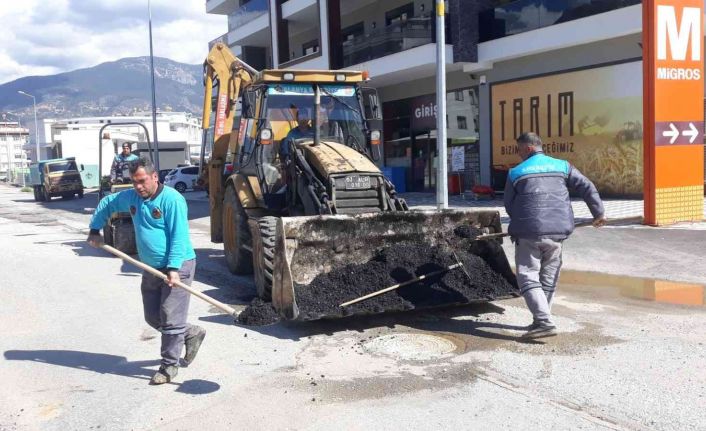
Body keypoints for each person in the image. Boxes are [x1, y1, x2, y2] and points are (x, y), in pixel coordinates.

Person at [87, 158, 206, 385]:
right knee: (153, 317)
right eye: (134, 182)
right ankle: (190, 333)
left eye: (142, 181)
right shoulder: (132, 197)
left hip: (178, 264)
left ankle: (169, 366)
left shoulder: (173, 200)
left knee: (171, 318)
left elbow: (179, 237)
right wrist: (94, 229)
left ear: (154, 177)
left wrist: (173, 269)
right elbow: (107, 203)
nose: (138, 186)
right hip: (150, 266)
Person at [504, 132, 606, 339]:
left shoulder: (516, 172)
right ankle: (541, 320)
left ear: (529, 148)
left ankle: (543, 321)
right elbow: (587, 187)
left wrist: (521, 222)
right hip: (559, 231)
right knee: (548, 277)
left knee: (527, 275)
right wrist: (598, 213)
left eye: (519, 149)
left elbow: (509, 205)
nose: (518, 154)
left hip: (529, 232)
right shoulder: (563, 166)